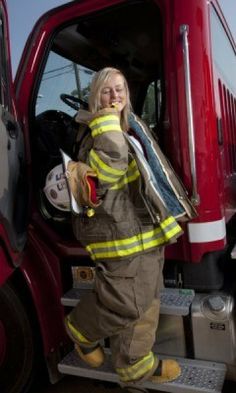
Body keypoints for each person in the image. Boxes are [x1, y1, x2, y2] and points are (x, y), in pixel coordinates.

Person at [64, 67, 197, 386]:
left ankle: (133, 364)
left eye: (120, 89)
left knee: (147, 305)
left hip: (146, 234)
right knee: (125, 304)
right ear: (95, 95)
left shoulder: (129, 127)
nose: (115, 96)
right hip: (121, 238)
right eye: (107, 90)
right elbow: (107, 173)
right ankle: (80, 331)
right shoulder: (99, 130)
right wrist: (107, 121)